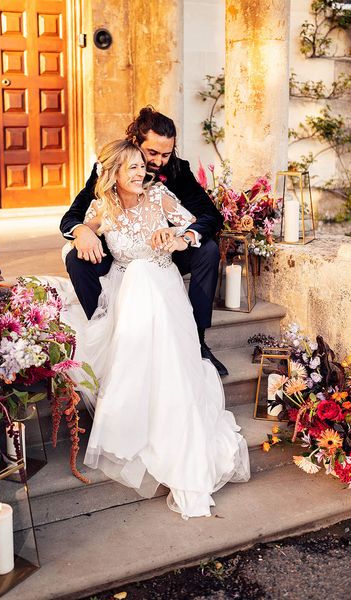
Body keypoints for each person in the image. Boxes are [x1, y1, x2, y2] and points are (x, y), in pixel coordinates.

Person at [56, 139, 250, 520]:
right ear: (112, 175)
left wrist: (178, 238)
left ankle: (175, 428)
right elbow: (74, 227)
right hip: (128, 294)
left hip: (162, 291)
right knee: (132, 278)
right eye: (132, 168)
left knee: (147, 274)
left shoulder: (159, 194)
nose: (141, 172)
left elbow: (194, 225)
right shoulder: (102, 207)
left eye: (141, 167)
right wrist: (83, 232)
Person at [60, 106, 228, 376]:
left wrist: (184, 235)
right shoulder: (110, 167)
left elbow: (210, 216)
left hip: (165, 250)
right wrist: (83, 231)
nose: (159, 161)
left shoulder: (177, 171)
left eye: (166, 153)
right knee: (75, 260)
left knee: (207, 249)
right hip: (121, 252)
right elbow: (73, 216)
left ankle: (197, 341)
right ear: (136, 143)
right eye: (152, 153)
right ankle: (104, 335)